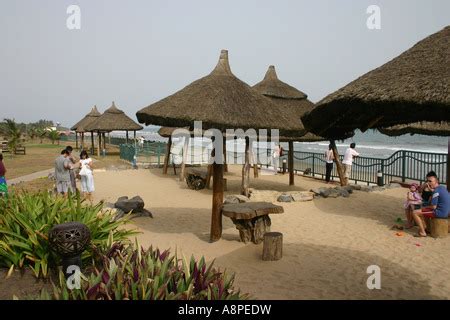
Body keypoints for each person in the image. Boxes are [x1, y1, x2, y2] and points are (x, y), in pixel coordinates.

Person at [412, 172, 450, 237]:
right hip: (446, 211)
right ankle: (428, 229)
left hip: (440, 212)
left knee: (415, 212)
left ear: (436, 181)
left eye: (430, 181)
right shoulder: (442, 188)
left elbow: (433, 207)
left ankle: (422, 232)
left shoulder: (436, 191)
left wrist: (425, 207)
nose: (428, 183)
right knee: (424, 211)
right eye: (427, 181)